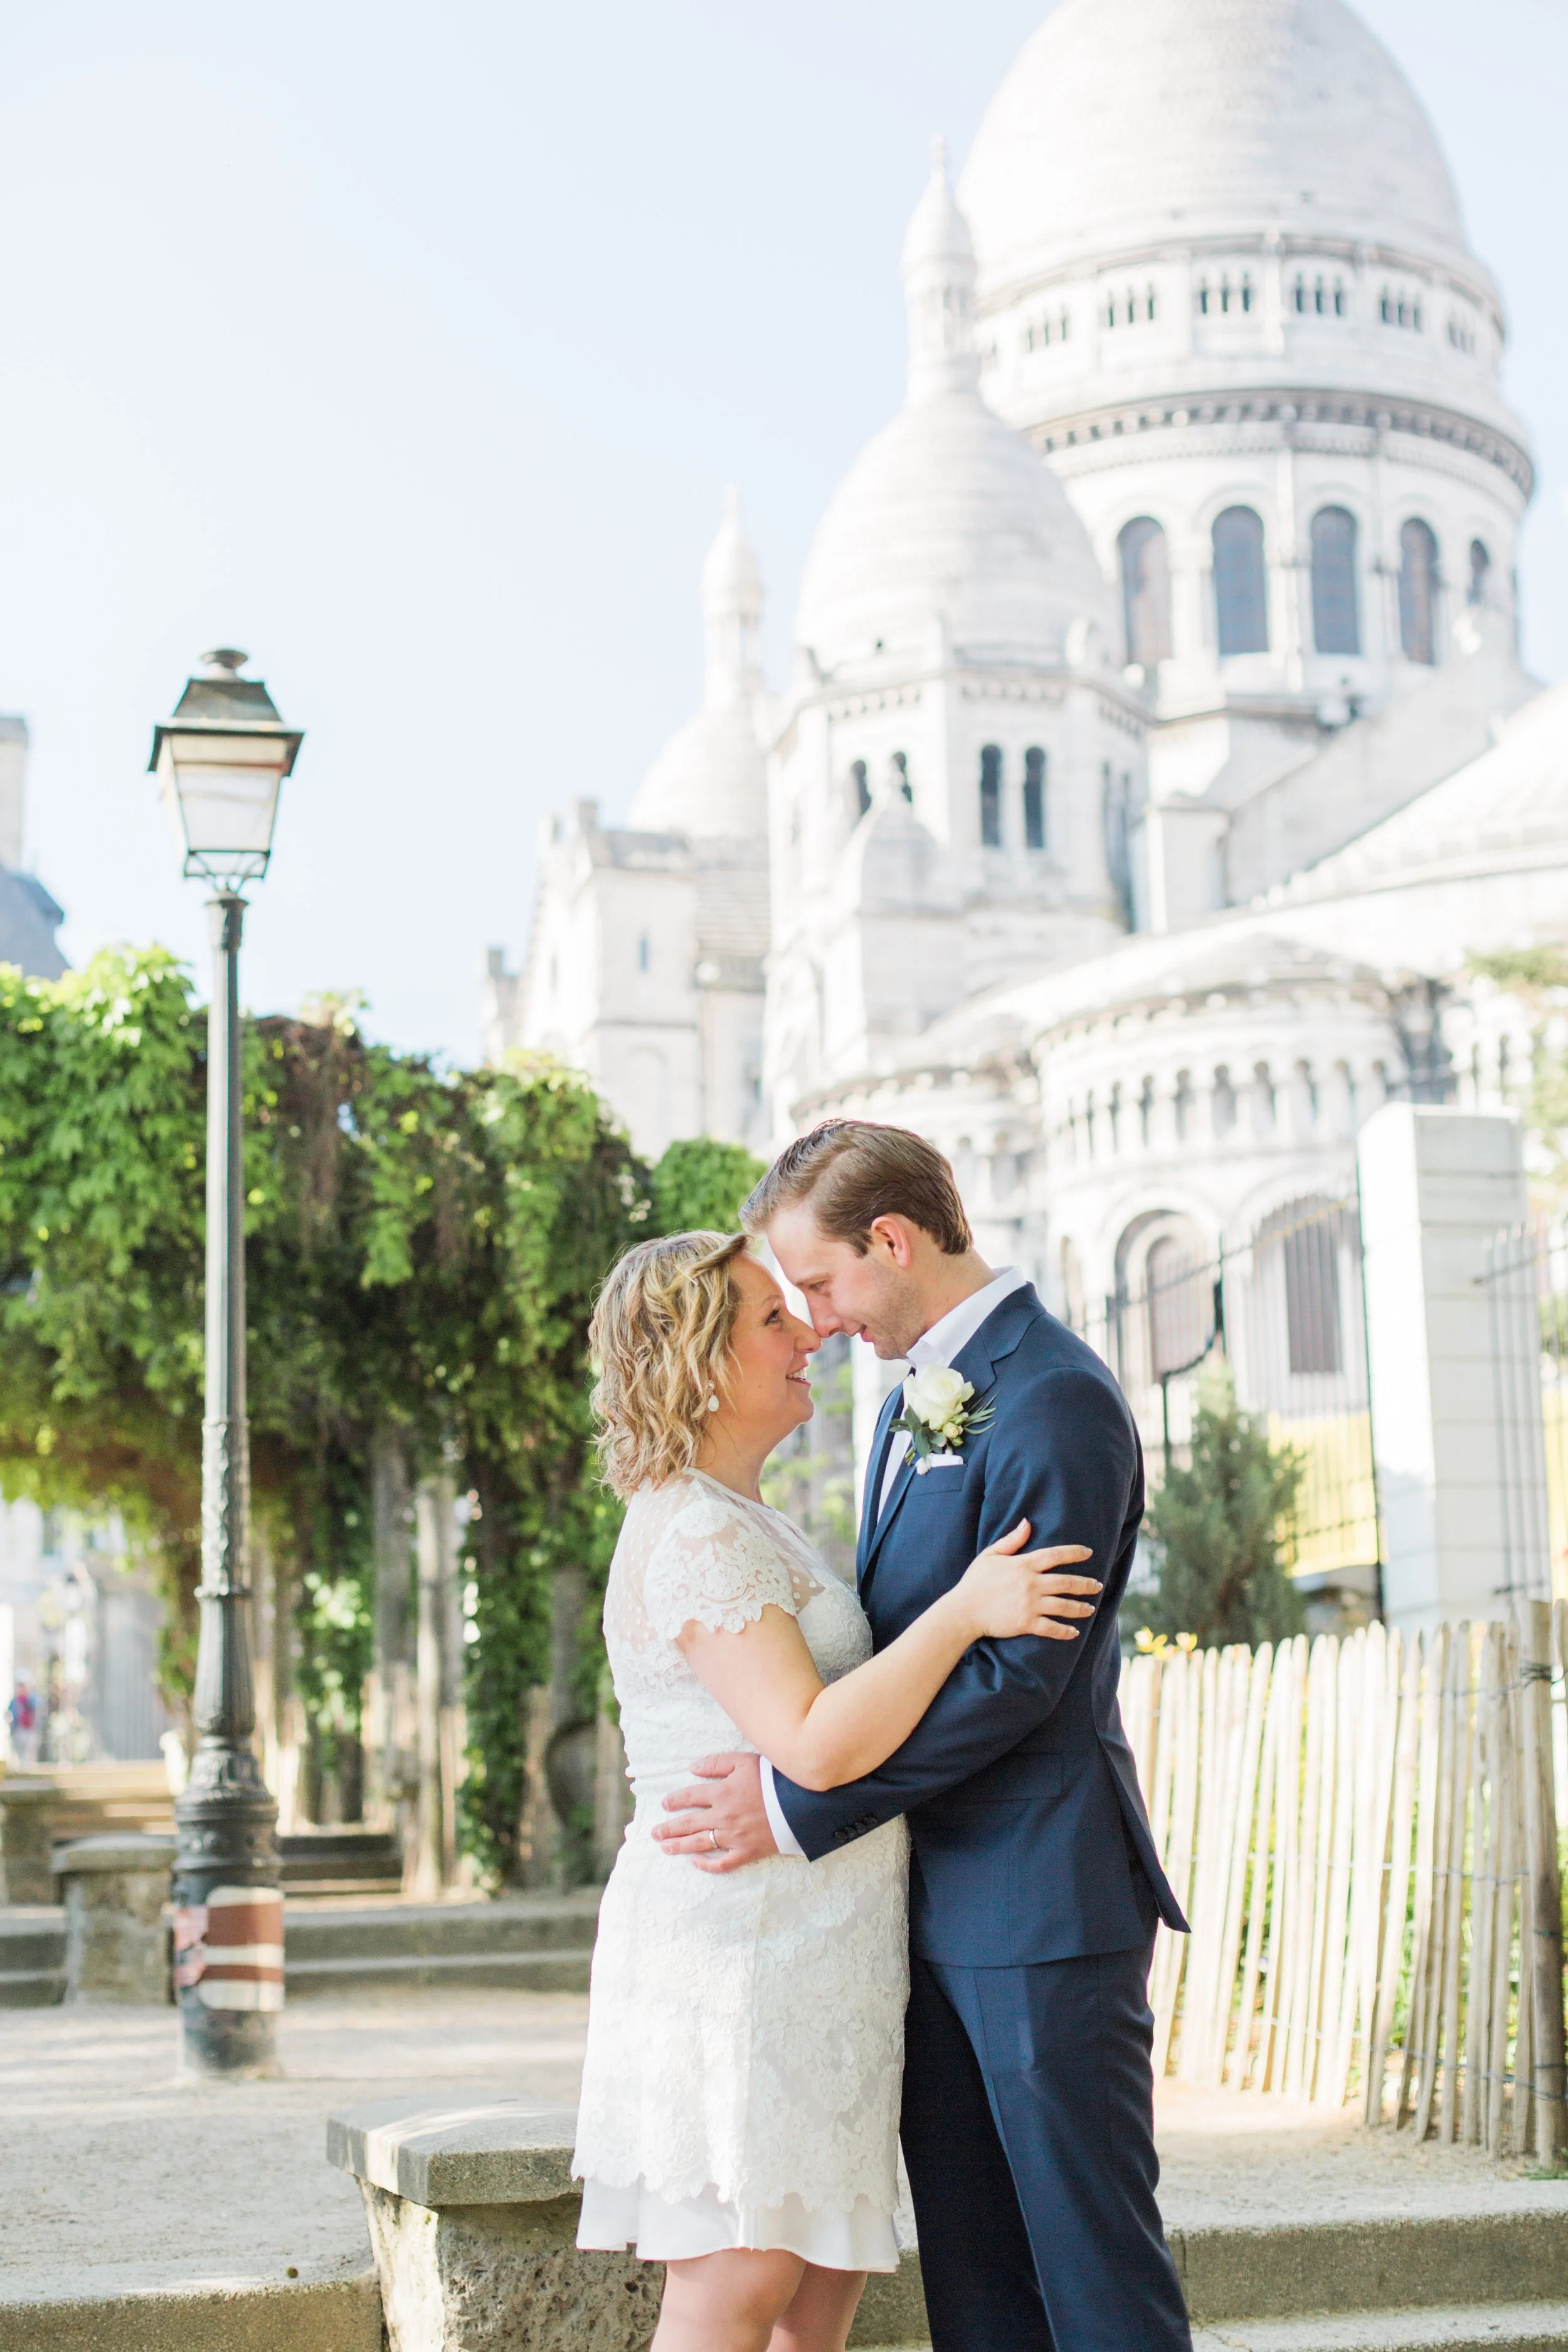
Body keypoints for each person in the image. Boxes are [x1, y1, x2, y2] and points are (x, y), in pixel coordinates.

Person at [652, 1121, 1194, 2352]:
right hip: (921, 1911)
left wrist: (794, 1805)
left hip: (1040, 1904)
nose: (819, 1317)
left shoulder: (1054, 1398)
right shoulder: (912, 1401)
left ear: (890, 1242)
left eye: (823, 1281)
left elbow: (1016, 1680)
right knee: (976, 2279)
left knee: (1093, 2274)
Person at [572, 1226, 1102, 2352]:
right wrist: (966, 1610)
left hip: (818, 1956)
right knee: (739, 2283)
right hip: (739, 1953)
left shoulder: (750, 1517)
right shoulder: (697, 1530)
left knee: (816, 2299)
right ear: (702, 1362)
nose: (809, 1330)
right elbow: (811, 1745)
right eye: (773, 1317)